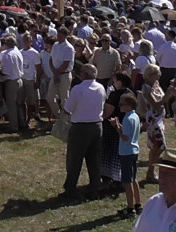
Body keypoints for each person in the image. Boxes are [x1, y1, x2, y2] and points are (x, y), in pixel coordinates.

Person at [60, 64, 106, 201]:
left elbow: (67, 109)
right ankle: (94, 189)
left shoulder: (78, 89)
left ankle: (71, 189)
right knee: (94, 160)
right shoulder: (101, 88)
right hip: (97, 125)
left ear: (84, 74)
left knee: (74, 159)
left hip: (80, 127)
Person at [137, 63, 171, 183]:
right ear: (149, 75)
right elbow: (155, 104)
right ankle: (150, 172)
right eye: (156, 73)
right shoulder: (146, 87)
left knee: (156, 147)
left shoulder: (156, 85)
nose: (159, 76)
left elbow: (160, 101)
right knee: (160, 146)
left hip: (159, 119)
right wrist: (168, 96)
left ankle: (151, 172)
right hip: (152, 120)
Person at [111, 92, 141, 218]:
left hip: (126, 153)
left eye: (121, 104)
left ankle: (130, 208)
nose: (120, 106)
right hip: (134, 151)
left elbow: (125, 137)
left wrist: (116, 128)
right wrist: (119, 126)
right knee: (134, 179)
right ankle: (138, 204)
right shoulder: (135, 117)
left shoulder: (127, 119)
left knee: (127, 182)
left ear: (128, 105)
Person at [100, 71, 132, 186]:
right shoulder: (130, 93)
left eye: (115, 79)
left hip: (112, 129)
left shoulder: (115, 95)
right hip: (127, 126)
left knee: (109, 153)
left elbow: (107, 113)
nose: (113, 81)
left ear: (120, 82)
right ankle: (121, 179)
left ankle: (108, 178)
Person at [0, 34, 24, 131]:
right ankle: (22, 122)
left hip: (11, 81)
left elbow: (5, 71)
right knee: (19, 103)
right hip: (19, 79)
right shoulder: (17, 52)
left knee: (11, 105)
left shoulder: (7, 55)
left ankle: (14, 126)